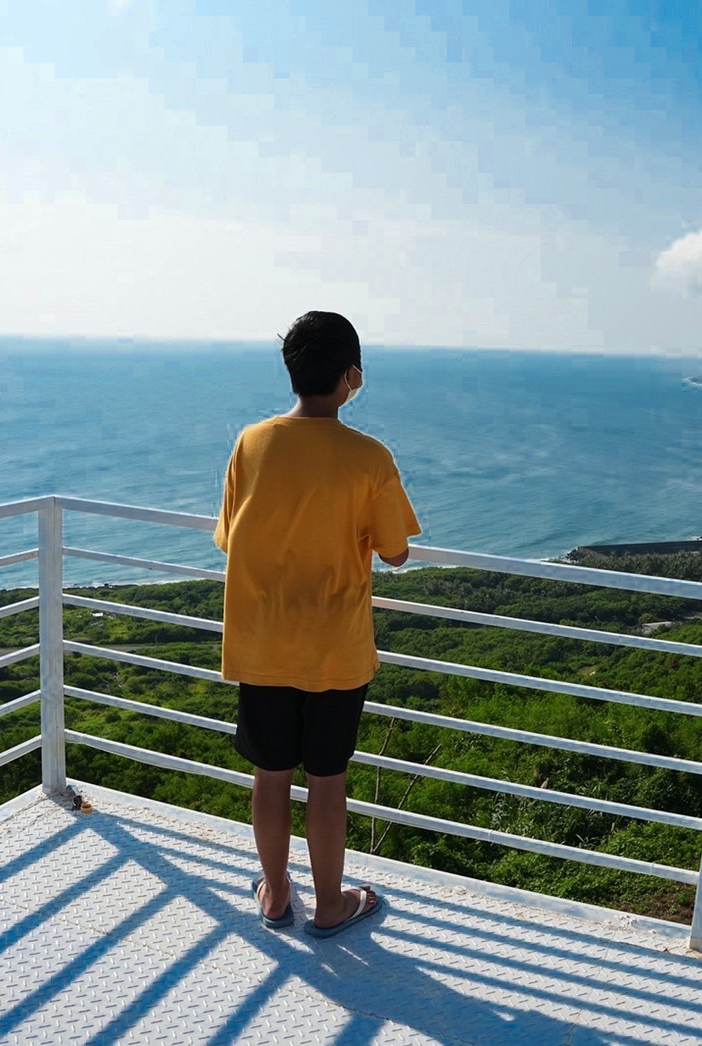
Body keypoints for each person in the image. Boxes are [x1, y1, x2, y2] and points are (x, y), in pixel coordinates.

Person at [215, 310, 420, 938]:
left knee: (269, 774)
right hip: (334, 647)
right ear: (350, 376)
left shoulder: (252, 442)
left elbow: (229, 538)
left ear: (293, 371)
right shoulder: (369, 457)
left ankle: (276, 895)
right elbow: (396, 551)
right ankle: (330, 906)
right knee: (328, 780)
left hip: (263, 639)